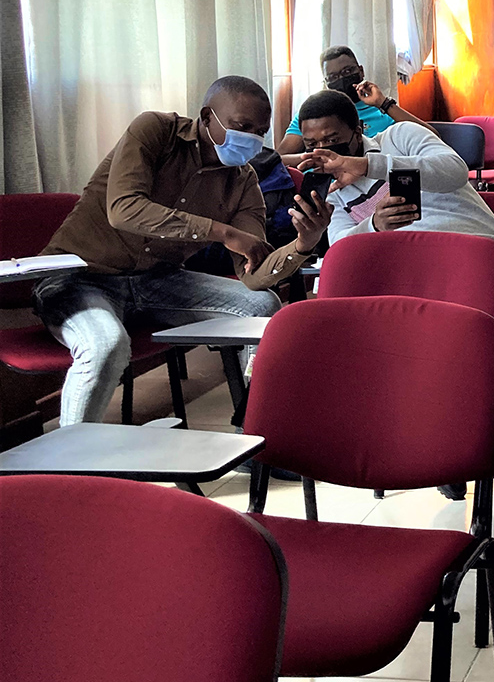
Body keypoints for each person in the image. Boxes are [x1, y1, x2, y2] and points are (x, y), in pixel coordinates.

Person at [34, 76, 332, 426]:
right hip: (80, 276)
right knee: (106, 344)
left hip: (155, 280)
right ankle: (71, 471)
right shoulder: (155, 131)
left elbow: (253, 275)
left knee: (263, 305)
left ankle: (257, 435)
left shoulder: (243, 180)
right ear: (207, 117)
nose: (251, 139)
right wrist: (221, 232)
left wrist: (302, 245)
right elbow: (124, 209)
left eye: (260, 131)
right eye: (241, 126)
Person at [293, 89, 494, 411]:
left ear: (359, 129)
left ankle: (474, 419)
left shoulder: (399, 138)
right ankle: (431, 421)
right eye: (311, 145)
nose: (323, 153)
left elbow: (453, 170)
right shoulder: (330, 192)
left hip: (479, 257)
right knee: (360, 359)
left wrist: (367, 166)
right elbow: (342, 248)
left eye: (332, 141)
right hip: (410, 279)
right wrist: (374, 226)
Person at [276, 46, 434, 155]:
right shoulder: (314, 114)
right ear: (326, 83)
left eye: (347, 71)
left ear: (361, 71)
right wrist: (313, 160)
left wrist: (383, 103)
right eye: (333, 77)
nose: (342, 79)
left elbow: (431, 137)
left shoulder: (381, 109)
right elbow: (281, 158)